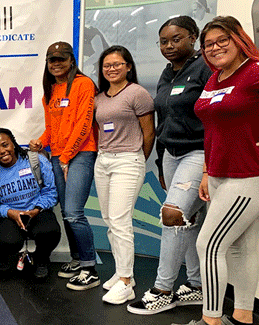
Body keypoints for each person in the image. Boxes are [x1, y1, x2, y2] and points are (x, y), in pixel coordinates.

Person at [173, 16, 259, 325]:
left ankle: (211, 320)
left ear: (239, 40)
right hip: (221, 173)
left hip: (248, 175)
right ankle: (243, 316)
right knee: (241, 249)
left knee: (207, 245)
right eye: (209, 44)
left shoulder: (253, 73)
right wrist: (208, 171)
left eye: (222, 40)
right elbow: (212, 129)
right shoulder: (216, 78)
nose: (215, 47)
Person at [127, 16, 210, 316]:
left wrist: (209, 164)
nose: (169, 45)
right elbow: (164, 120)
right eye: (164, 41)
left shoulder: (204, 68)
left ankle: (163, 290)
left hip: (198, 151)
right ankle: (197, 285)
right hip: (172, 155)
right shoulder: (167, 73)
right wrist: (161, 162)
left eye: (176, 39)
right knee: (187, 222)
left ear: (193, 37)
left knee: (172, 215)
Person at [29, 41, 99, 290]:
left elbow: (84, 124)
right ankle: (78, 260)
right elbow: (51, 129)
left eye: (61, 59)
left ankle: (90, 267)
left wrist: (67, 156)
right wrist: (40, 142)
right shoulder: (50, 91)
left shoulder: (83, 84)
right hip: (60, 157)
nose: (56, 64)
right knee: (67, 213)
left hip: (80, 154)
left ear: (72, 61)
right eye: (52, 60)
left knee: (73, 212)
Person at [93, 45, 155, 304]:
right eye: (107, 65)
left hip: (128, 161)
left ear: (128, 66)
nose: (112, 69)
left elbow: (149, 132)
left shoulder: (137, 93)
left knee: (120, 221)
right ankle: (120, 273)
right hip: (103, 160)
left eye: (118, 64)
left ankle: (127, 282)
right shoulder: (100, 97)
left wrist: (137, 159)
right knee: (109, 219)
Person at [0, 128, 60, 280]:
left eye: (5, 145)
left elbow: (51, 191)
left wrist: (37, 209)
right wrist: (9, 212)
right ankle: (1, 257)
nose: (2, 151)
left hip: (37, 211)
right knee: (10, 241)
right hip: (8, 216)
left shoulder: (35, 160)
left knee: (50, 232)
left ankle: (41, 259)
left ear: (14, 144)